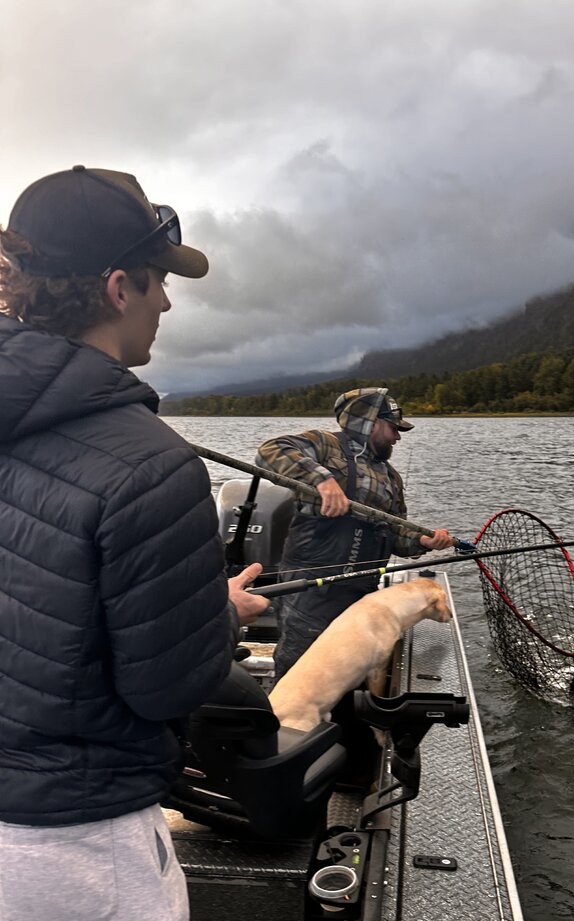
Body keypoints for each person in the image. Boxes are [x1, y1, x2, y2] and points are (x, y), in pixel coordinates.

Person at [0, 165, 268, 921]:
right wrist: (217, 615)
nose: (168, 303)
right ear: (120, 288)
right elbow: (168, 688)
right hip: (74, 847)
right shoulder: (156, 467)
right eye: (160, 281)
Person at [256, 386, 453, 679]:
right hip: (312, 591)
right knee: (301, 673)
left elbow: (396, 534)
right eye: (393, 428)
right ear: (371, 423)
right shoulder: (326, 445)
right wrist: (322, 480)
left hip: (361, 591)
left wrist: (423, 540)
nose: (398, 437)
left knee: (348, 672)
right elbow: (270, 451)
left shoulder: (391, 477)